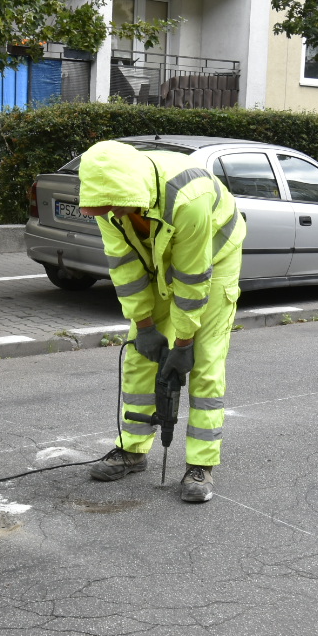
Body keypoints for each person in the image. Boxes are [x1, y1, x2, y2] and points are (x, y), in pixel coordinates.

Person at [77, 140, 246, 502]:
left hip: (214, 259)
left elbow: (192, 276)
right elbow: (123, 266)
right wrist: (145, 326)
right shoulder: (109, 203)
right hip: (159, 258)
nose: (112, 214)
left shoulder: (189, 198)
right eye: (105, 208)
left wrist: (183, 343)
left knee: (204, 361)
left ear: (133, 190)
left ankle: (201, 465)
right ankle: (133, 449)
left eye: (115, 206)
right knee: (140, 356)